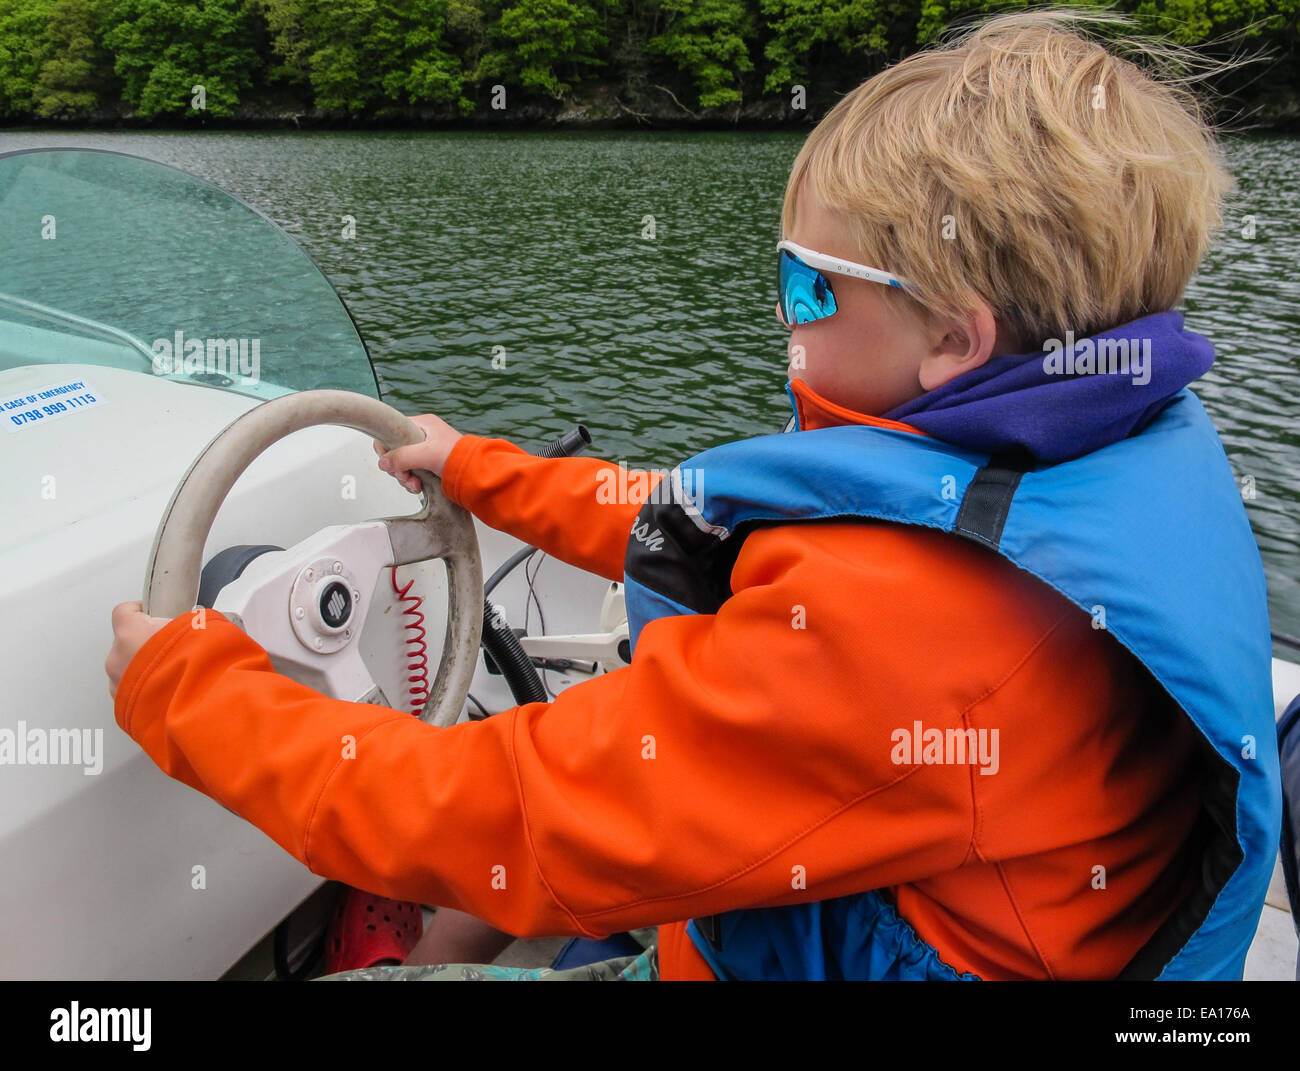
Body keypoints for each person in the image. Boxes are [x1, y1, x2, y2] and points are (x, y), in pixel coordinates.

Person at [104, 9, 1279, 981]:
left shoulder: (916, 637)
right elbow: (702, 520)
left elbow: (512, 816)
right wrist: (473, 472)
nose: (782, 311)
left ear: (953, 343)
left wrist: (196, 695)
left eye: (806, 286)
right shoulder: (1109, 443)